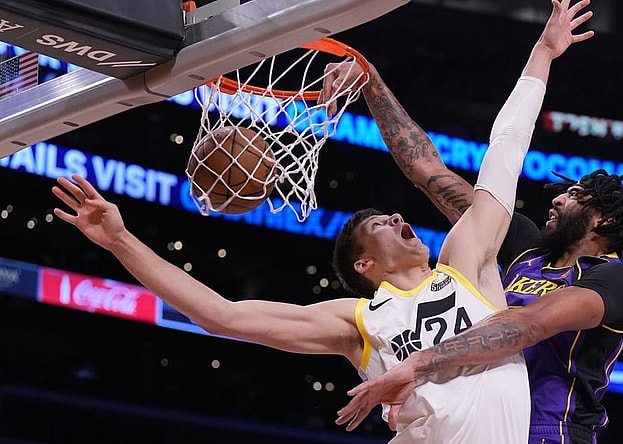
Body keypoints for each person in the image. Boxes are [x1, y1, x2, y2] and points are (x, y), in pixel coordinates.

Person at [50, 1, 593, 441]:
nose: (399, 216)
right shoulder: (357, 321)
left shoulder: (467, 265)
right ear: (364, 263)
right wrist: (120, 240)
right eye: (380, 222)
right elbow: (223, 316)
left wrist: (542, 55)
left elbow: (506, 152)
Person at [325, 1, 623, 443]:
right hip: (478, 425)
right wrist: (371, 83)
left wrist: (418, 362)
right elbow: (428, 172)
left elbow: (528, 325)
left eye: (574, 197)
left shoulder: (615, 280)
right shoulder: (524, 245)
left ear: (604, 220)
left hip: (549, 431)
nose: (556, 198)